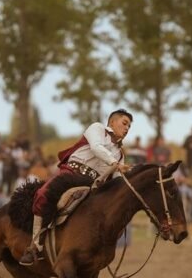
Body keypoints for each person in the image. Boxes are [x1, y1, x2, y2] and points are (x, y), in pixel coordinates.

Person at [20, 109, 133, 265]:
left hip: (93, 185)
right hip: (71, 173)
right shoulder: (98, 128)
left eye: (129, 127)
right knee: (43, 194)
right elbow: (96, 147)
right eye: (124, 123)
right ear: (112, 122)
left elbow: (117, 181)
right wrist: (115, 163)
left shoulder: (120, 154)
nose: (127, 129)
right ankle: (35, 247)